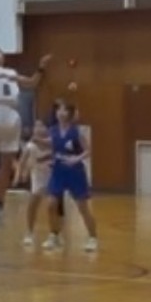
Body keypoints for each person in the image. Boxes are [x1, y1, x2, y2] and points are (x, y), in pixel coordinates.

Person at [0, 16, 50, 222]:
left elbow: (32, 83)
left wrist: (41, 67)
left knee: (6, 165)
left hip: (13, 116)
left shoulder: (12, 72)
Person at [38, 103, 98, 252]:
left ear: (70, 113)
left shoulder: (76, 131)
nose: (61, 112)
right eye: (59, 109)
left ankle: (93, 238)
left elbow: (88, 150)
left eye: (64, 110)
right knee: (51, 204)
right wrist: (36, 140)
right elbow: (51, 144)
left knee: (82, 207)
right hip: (58, 171)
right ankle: (54, 235)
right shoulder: (52, 130)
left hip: (75, 172)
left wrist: (76, 159)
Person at [14, 119, 52, 246]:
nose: (38, 129)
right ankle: (29, 232)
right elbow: (22, 162)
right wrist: (20, 174)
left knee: (54, 206)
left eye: (42, 126)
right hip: (38, 178)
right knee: (33, 204)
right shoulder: (30, 146)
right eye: (36, 126)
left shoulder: (53, 143)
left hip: (52, 177)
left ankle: (55, 234)